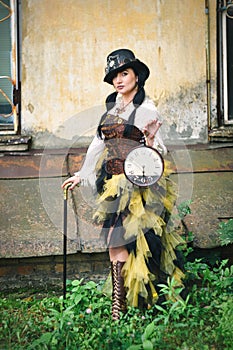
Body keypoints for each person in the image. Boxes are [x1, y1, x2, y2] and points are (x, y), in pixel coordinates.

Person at [62, 49, 185, 320]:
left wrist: (150, 140)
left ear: (137, 76)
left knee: (141, 244)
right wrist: (81, 174)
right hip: (112, 182)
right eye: (115, 75)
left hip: (140, 184)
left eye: (124, 73)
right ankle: (119, 307)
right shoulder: (112, 107)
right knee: (114, 240)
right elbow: (98, 144)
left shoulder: (147, 110)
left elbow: (158, 155)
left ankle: (144, 303)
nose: (119, 80)